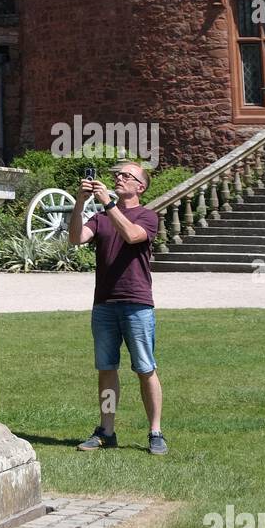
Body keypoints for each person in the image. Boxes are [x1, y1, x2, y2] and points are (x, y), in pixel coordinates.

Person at [68, 160, 167, 455]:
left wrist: (109, 203)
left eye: (127, 175)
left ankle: (155, 432)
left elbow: (132, 235)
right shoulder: (100, 218)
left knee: (145, 368)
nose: (119, 178)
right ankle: (106, 431)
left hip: (137, 303)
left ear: (141, 186)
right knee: (107, 369)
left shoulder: (148, 216)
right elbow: (75, 238)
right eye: (117, 175)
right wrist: (79, 203)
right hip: (105, 305)